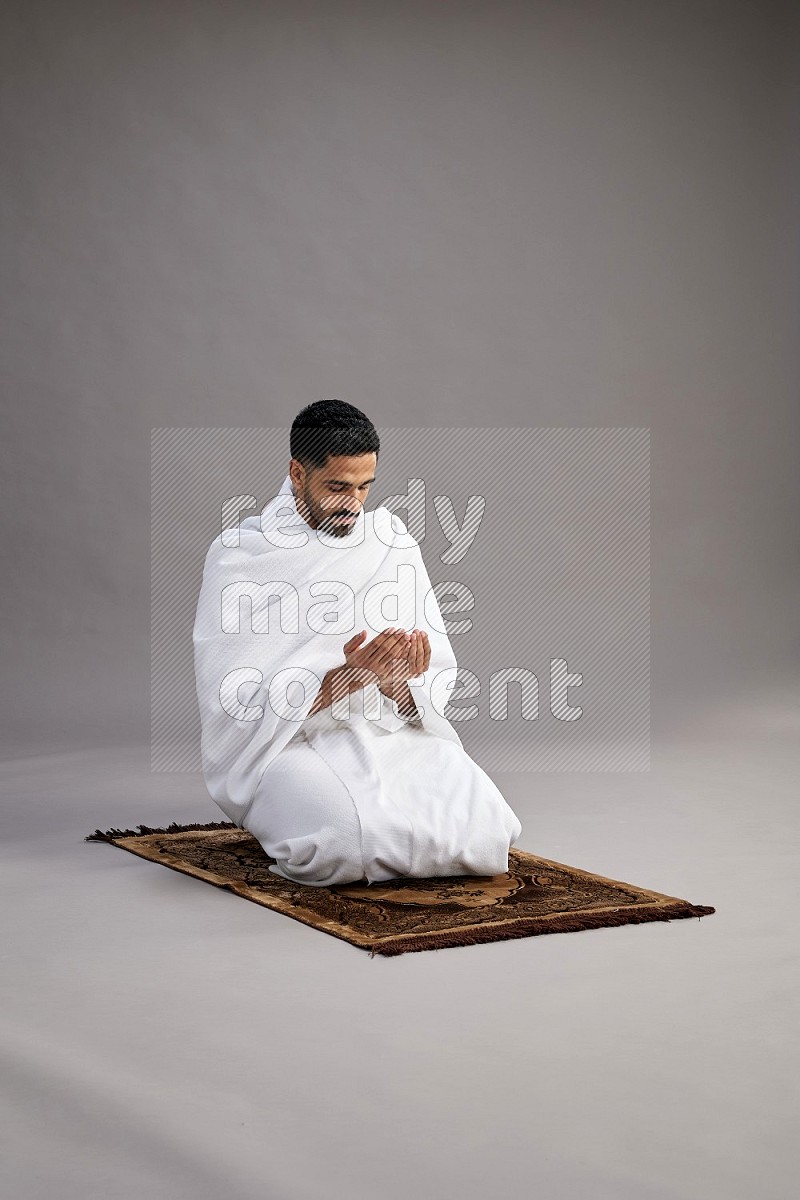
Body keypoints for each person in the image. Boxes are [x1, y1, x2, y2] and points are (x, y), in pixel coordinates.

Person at [192, 399, 523, 886]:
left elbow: (431, 681)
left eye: (366, 486)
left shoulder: (389, 541)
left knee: (490, 829)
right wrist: (341, 680)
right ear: (296, 472)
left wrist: (397, 683)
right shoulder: (240, 556)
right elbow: (232, 702)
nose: (354, 503)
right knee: (343, 844)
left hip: (383, 728)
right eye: (338, 487)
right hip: (284, 744)